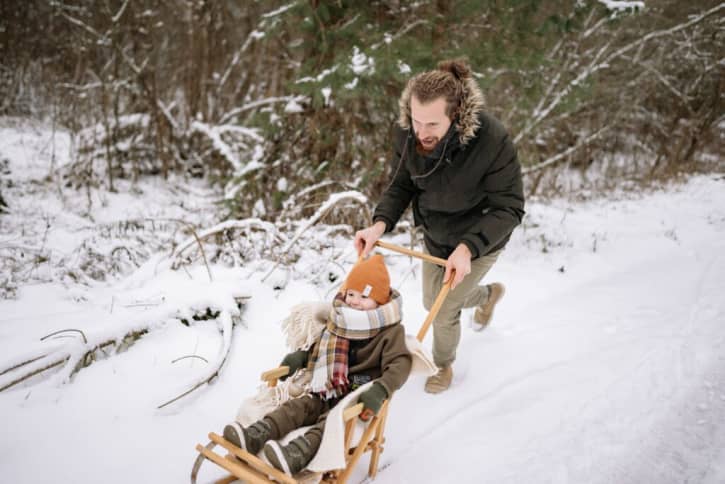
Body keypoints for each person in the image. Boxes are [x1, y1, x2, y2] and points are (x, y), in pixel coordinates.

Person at [354, 58, 525, 394]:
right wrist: (379, 225)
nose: (421, 132)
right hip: (436, 234)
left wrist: (467, 248)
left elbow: (510, 207)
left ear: (456, 114)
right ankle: (489, 296)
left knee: (444, 309)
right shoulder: (408, 133)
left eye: (432, 124)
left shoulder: (492, 140)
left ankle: (443, 364)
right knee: (431, 299)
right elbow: (402, 184)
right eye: (416, 121)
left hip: (480, 239)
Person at [223, 254, 412, 476]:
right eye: (351, 293)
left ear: (379, 301)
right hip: (326, 386)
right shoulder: (341, 319)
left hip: (358, 392)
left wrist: (381, 389)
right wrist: (302, 358)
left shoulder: (390, 332)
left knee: (332, 422)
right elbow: (322, 349)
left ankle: (296, 454)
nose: (354, 301)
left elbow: (401, 362)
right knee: (297, 407)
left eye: (364, 296)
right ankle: (256, 434)